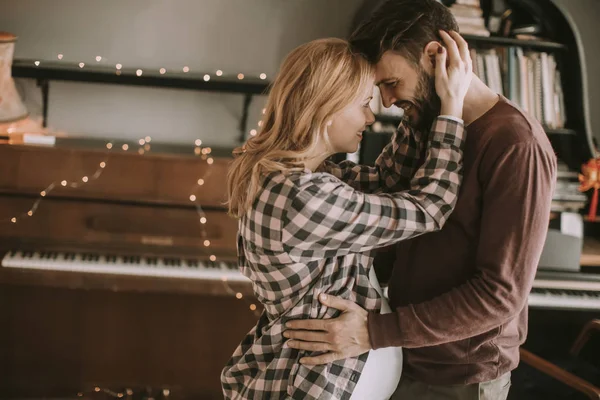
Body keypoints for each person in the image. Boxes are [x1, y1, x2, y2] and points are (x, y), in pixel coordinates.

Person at [283, 1, 558, 399]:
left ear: (435, 56)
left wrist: (373, 332)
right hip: (397, 355)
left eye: (391, 82)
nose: (388, 101)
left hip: (457, 375)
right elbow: (386, 208)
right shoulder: (425, 124)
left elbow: (500, 294)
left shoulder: (516, 144)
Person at [221, 35, 472, 400]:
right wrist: (451, 108)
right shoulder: (304, 200)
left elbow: (386, 182)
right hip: (315, 384)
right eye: (363, 104)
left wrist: (417, 109)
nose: (370, 117)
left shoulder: (294, 179)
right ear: (328, 108)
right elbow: (429, 209)